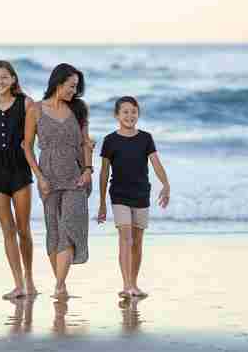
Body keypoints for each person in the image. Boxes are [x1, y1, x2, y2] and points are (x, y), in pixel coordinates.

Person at [24, 63, 93, 299]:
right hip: (48, 177)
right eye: (71, 86)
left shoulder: (79, 108)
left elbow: (85, 142)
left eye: (76, 87)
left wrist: (88, 170)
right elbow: (27, 146)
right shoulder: (35, 109)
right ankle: (60, 286)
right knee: (53, 230)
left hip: (76, 176)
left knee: (69, 228)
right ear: (58, 83)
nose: (74, 91)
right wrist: (39, 177)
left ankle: (60, 285)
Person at [97, 96, 170, 298]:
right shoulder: (110, 140)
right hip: (119, 194)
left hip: (141, 194)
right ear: (117, 115)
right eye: (125, 112)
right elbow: (104, 173)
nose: (130, 115)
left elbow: (156, 163)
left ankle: (134, 284)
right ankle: (126, 285)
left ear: (138, 114)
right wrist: (102, 202)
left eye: (133, 111)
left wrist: (166, 184)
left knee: (137, 241)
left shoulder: (146, 138)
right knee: (126, 237)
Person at [0, 60, 37, 299]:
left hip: (19, 170)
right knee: (8, 229)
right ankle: (18, 284)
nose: (0, 82)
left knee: (23, 229)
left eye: (4, 77)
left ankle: (29, 278)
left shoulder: (27, 103)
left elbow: (33, 141)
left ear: (13, 79)